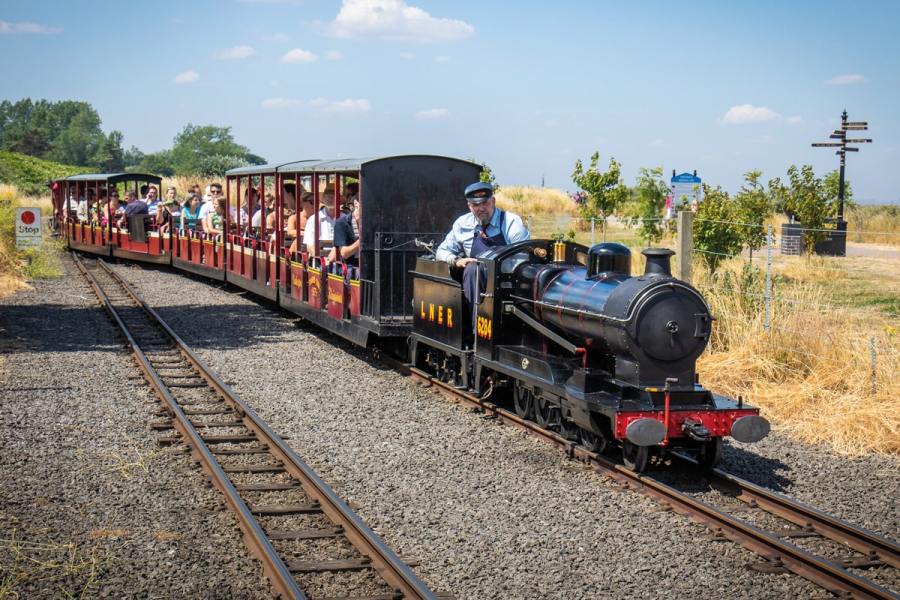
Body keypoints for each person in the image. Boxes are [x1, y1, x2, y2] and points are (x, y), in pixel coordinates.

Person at [436, 182, 529, 333]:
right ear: (469, 206)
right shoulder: (462, 224)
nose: (481, 208)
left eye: (485, 203)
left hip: (506, 281)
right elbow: (442, 250)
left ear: (493, 201)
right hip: (475, 282)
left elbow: (522, 257)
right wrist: (456, 261)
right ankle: (476, 330)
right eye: (475, 204)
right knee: (473, 269)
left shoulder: (511, 223)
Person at [301, 188, 336, 257]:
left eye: (333, 195)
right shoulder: (313, 219)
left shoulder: (345, 218)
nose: (330, 198)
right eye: (327, 195)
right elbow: (309, 245)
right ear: (323, 199)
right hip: (321, 261)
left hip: (342, 262)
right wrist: (320, 260)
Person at [333, 194, 360, 267]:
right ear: (356, 203)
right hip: (351, 267)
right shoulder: (342, 223)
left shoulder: (373, 222)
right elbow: (344, 253)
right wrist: (361, 242)